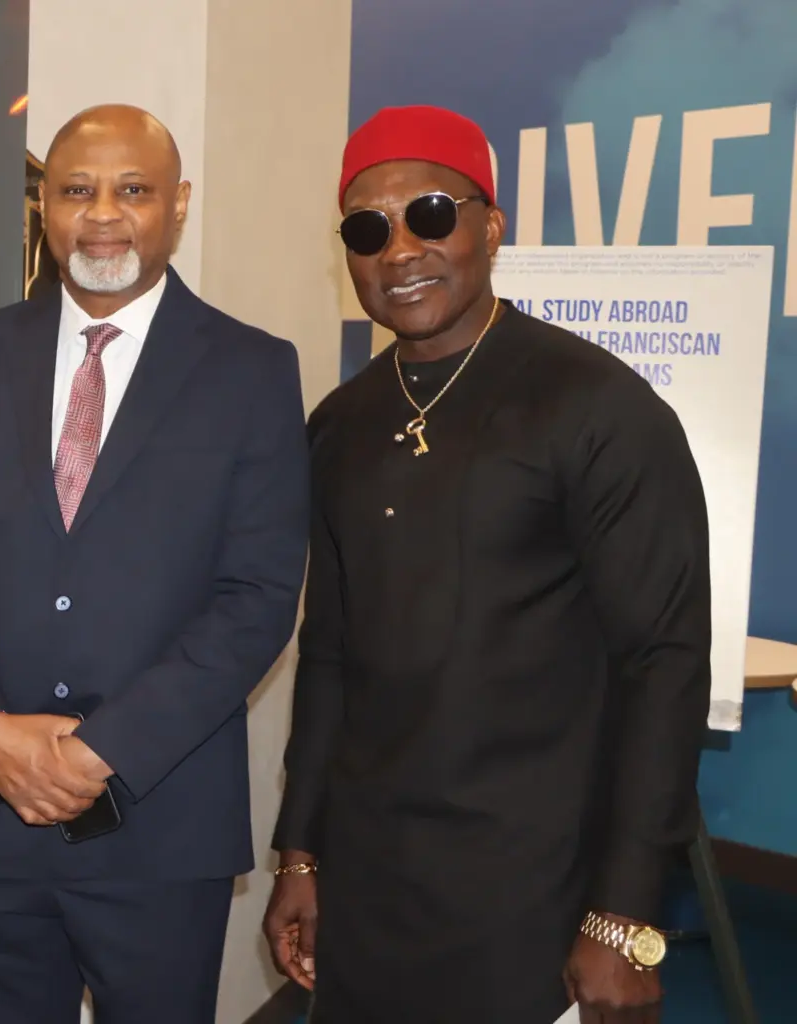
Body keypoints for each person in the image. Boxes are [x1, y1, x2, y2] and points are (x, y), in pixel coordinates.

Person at [264, 105, 711, 1024]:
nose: (400, 250)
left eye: (430, 215)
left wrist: (623, 913)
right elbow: (330, 654)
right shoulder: (338, 424)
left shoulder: (600, 408)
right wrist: (300, 853)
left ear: (492, 226)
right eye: (367, 230)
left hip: (537, 884)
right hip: (372, 877)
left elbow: (664, 664)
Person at [0, 104, 310, 1023]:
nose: (104, 214)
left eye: (134, 190)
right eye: (77, 190)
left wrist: (101, 751)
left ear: (179, 204)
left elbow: (257, 599)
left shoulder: (252, 371)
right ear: (44, 204)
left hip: (159, 827)